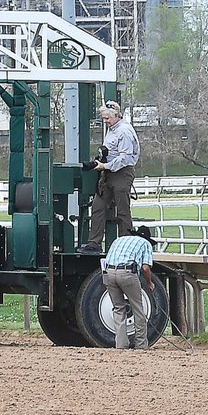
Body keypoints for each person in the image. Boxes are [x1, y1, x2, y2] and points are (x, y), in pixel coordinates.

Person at [82, 100, 140, 253]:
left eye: (107, 118)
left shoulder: (124, 131)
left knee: (122, 210)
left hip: (122, 173)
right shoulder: (112, 129)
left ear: (116, 115)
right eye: (103, 118)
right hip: (108, 173)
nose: (105, 121)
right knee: (98, 206)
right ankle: (94, 244)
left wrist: (104, 166)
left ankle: (126, 245)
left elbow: (125, 158)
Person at [101, 225, 157, 350]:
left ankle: (120, 345)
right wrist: (149, 283)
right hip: (127, 273)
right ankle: (141, 345)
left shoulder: (119, 240)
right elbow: (145, 268)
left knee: (118, 308)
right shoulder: (145, 243)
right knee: (138, 308)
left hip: (108, 273)